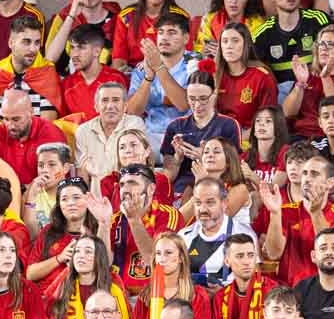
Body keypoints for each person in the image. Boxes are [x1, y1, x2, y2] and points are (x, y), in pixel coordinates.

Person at [255, 156, 334, 286]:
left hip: (324, 290)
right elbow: (273, 254)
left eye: (314, 174)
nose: (307, 179)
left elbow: (328, 249)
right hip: (289, 290)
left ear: (330, 183)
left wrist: (315, 212)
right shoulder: (284, 211)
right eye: (305, 173)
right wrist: (275, 213)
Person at [126, 14, 197, 164]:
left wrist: (159, 67)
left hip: (186, 135)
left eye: (171, 32)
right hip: (151, 135)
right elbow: (132, 112)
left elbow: (184, 104)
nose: (164, 38)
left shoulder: (196, 64)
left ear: (186, 38)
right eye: (160, 32)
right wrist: (149, 76)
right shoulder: (141, 68)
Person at [159, 72, 242, 193]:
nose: (197, 105)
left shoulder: (228, 125)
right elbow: (168, 176)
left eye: (203, 99)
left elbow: (235, 170)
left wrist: (207, 159)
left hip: (216, 187)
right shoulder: (175, 126)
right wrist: (178, 159)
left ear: (214, 95)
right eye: (192, 99)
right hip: (181, 189)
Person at [280, 25, 334, 138]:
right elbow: (287, 113)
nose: (323, 48)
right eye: (321, 44)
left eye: (330, 44)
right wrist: (300, 84)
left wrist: (325, 77)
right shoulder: (309, 76)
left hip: (331, 139)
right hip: (300, 137)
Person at [0, 16, 63, 120]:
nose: (33, 49)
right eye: (26, 42)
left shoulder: (46, 72)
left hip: (36, 134)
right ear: (11, 43)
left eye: (37, 42)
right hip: (0, 133)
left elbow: (47, 124)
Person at [112, 0, 191, 71]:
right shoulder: (126, 16)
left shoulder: (180, 17)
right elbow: (119, 59)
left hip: (168, 73)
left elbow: (186, 57)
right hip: (133, 74)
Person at [45, 0, 121, 73]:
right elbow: (50, 58)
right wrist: (71, 16)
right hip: (68, 83)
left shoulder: (118, 19)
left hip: (105, 84)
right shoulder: (64, 17)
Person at [213, 234, 277, 319]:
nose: (247, 262)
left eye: (251, 255)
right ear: (227, 261)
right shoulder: (220, 297)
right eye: (240, 256)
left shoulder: (273, 291)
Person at [75, 81, 146, 188]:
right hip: (96, 196)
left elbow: (135, 167)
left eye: (116, 100)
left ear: (125, 106)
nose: (110, 106)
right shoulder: (83, 131)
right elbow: (82, 173)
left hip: (128, 190)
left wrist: (96, 172)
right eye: (104, 100)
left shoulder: (134, 124)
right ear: (96, 106)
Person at [0, 89, 65, 188]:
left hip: (43, 195)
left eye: (16, 119)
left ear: (31, 112)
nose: (11, 126)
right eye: (6, 119)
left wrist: (26, 190)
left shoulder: (51, 134)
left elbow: (58, 174)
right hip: (7, 195)